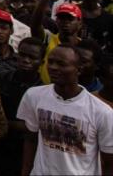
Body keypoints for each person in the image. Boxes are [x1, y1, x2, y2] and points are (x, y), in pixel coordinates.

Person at [17, 45, 113, 175]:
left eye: (61, 64)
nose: (53, 67)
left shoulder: (102, 112)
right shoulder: (34, 96)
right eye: (50, 62)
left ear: (78, 69)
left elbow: (109, 163)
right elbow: (30, 139)